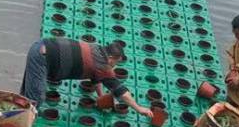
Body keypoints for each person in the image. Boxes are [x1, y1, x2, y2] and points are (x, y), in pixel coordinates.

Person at [20, 36, 152, 117]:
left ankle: (17, 112)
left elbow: (96, 78)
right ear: (111, 58)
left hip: (41, 46)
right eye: (116, 63)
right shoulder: (103, 66)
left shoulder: (97, 49)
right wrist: (139, 108)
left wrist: (100, 96)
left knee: (27, 93)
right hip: (42, 58)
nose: (114, 66)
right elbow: (122, 92)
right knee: (36, 99)